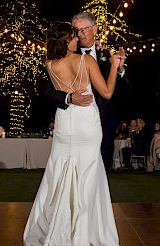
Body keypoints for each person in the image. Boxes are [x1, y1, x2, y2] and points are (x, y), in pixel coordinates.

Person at [24, 21, 123, 246]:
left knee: (57, 172)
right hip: (87, 123)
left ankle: (50, 229)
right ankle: (80, 236)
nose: (77, 38)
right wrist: (113, 66)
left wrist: (68, 97)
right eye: (73, 35)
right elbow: (108, 92)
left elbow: (49, 91)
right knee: (87, 176)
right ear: (66, 39)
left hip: (64, 123)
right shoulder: (86, 61)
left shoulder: (49, 65)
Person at [40, 12, 128, 171]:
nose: (79, 35)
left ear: (94, 29)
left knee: (96, 168)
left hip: (103, 123)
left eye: (83, 30)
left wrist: (119, 69)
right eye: (76, 31)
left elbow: (124, 91)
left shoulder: (107, 54)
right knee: (70, 166)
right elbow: (46, 90)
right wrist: (69, 98)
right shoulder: (69, 58)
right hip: (77, 120)